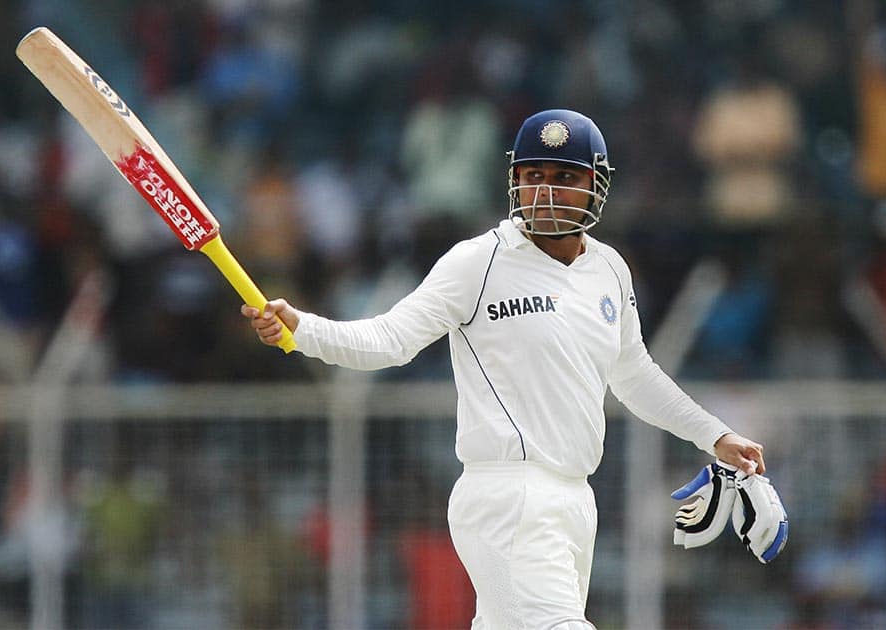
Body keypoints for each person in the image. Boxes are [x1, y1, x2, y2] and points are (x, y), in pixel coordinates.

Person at [242, 109, 768, 628]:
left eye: (565, 177)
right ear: (514, 179)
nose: (546, 190)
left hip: (575, 500)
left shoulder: (609, 268)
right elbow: (389, 339)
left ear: (596, 185)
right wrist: (302, 329)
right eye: (533, 175)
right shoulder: (478, 262)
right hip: (507, 494)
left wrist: (713, 434)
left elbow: (634, 375)